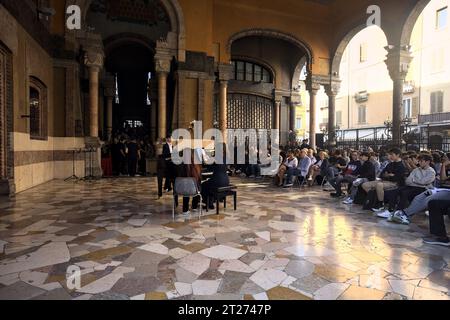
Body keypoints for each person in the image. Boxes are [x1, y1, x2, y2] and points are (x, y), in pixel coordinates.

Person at [383, 154, 436, 223]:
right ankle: (390, 210)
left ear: (427, 162)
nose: (419, 163)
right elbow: (408, 181)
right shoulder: (416, 170)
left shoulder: (431, 172)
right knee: (395, 191)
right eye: (419, 161)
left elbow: (424, 182)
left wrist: (414, 180)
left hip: (422, 189)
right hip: (411, 186)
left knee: (405, 193)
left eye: (421, 161)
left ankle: (399, 212)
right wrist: (417, 181)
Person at [361, 148, 406, 215]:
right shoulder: (390, 164)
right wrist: (389, 175)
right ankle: (375, 200)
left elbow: (397, 178)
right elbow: (381, 174)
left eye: (392, 154)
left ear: (398, 155)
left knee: (379, 185)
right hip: (384, 180)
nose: (390, 156)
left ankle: (381, 204)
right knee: (365, 185)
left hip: (394, 183)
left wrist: (388, 175)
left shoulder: (402, 165)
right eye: (390, 154)